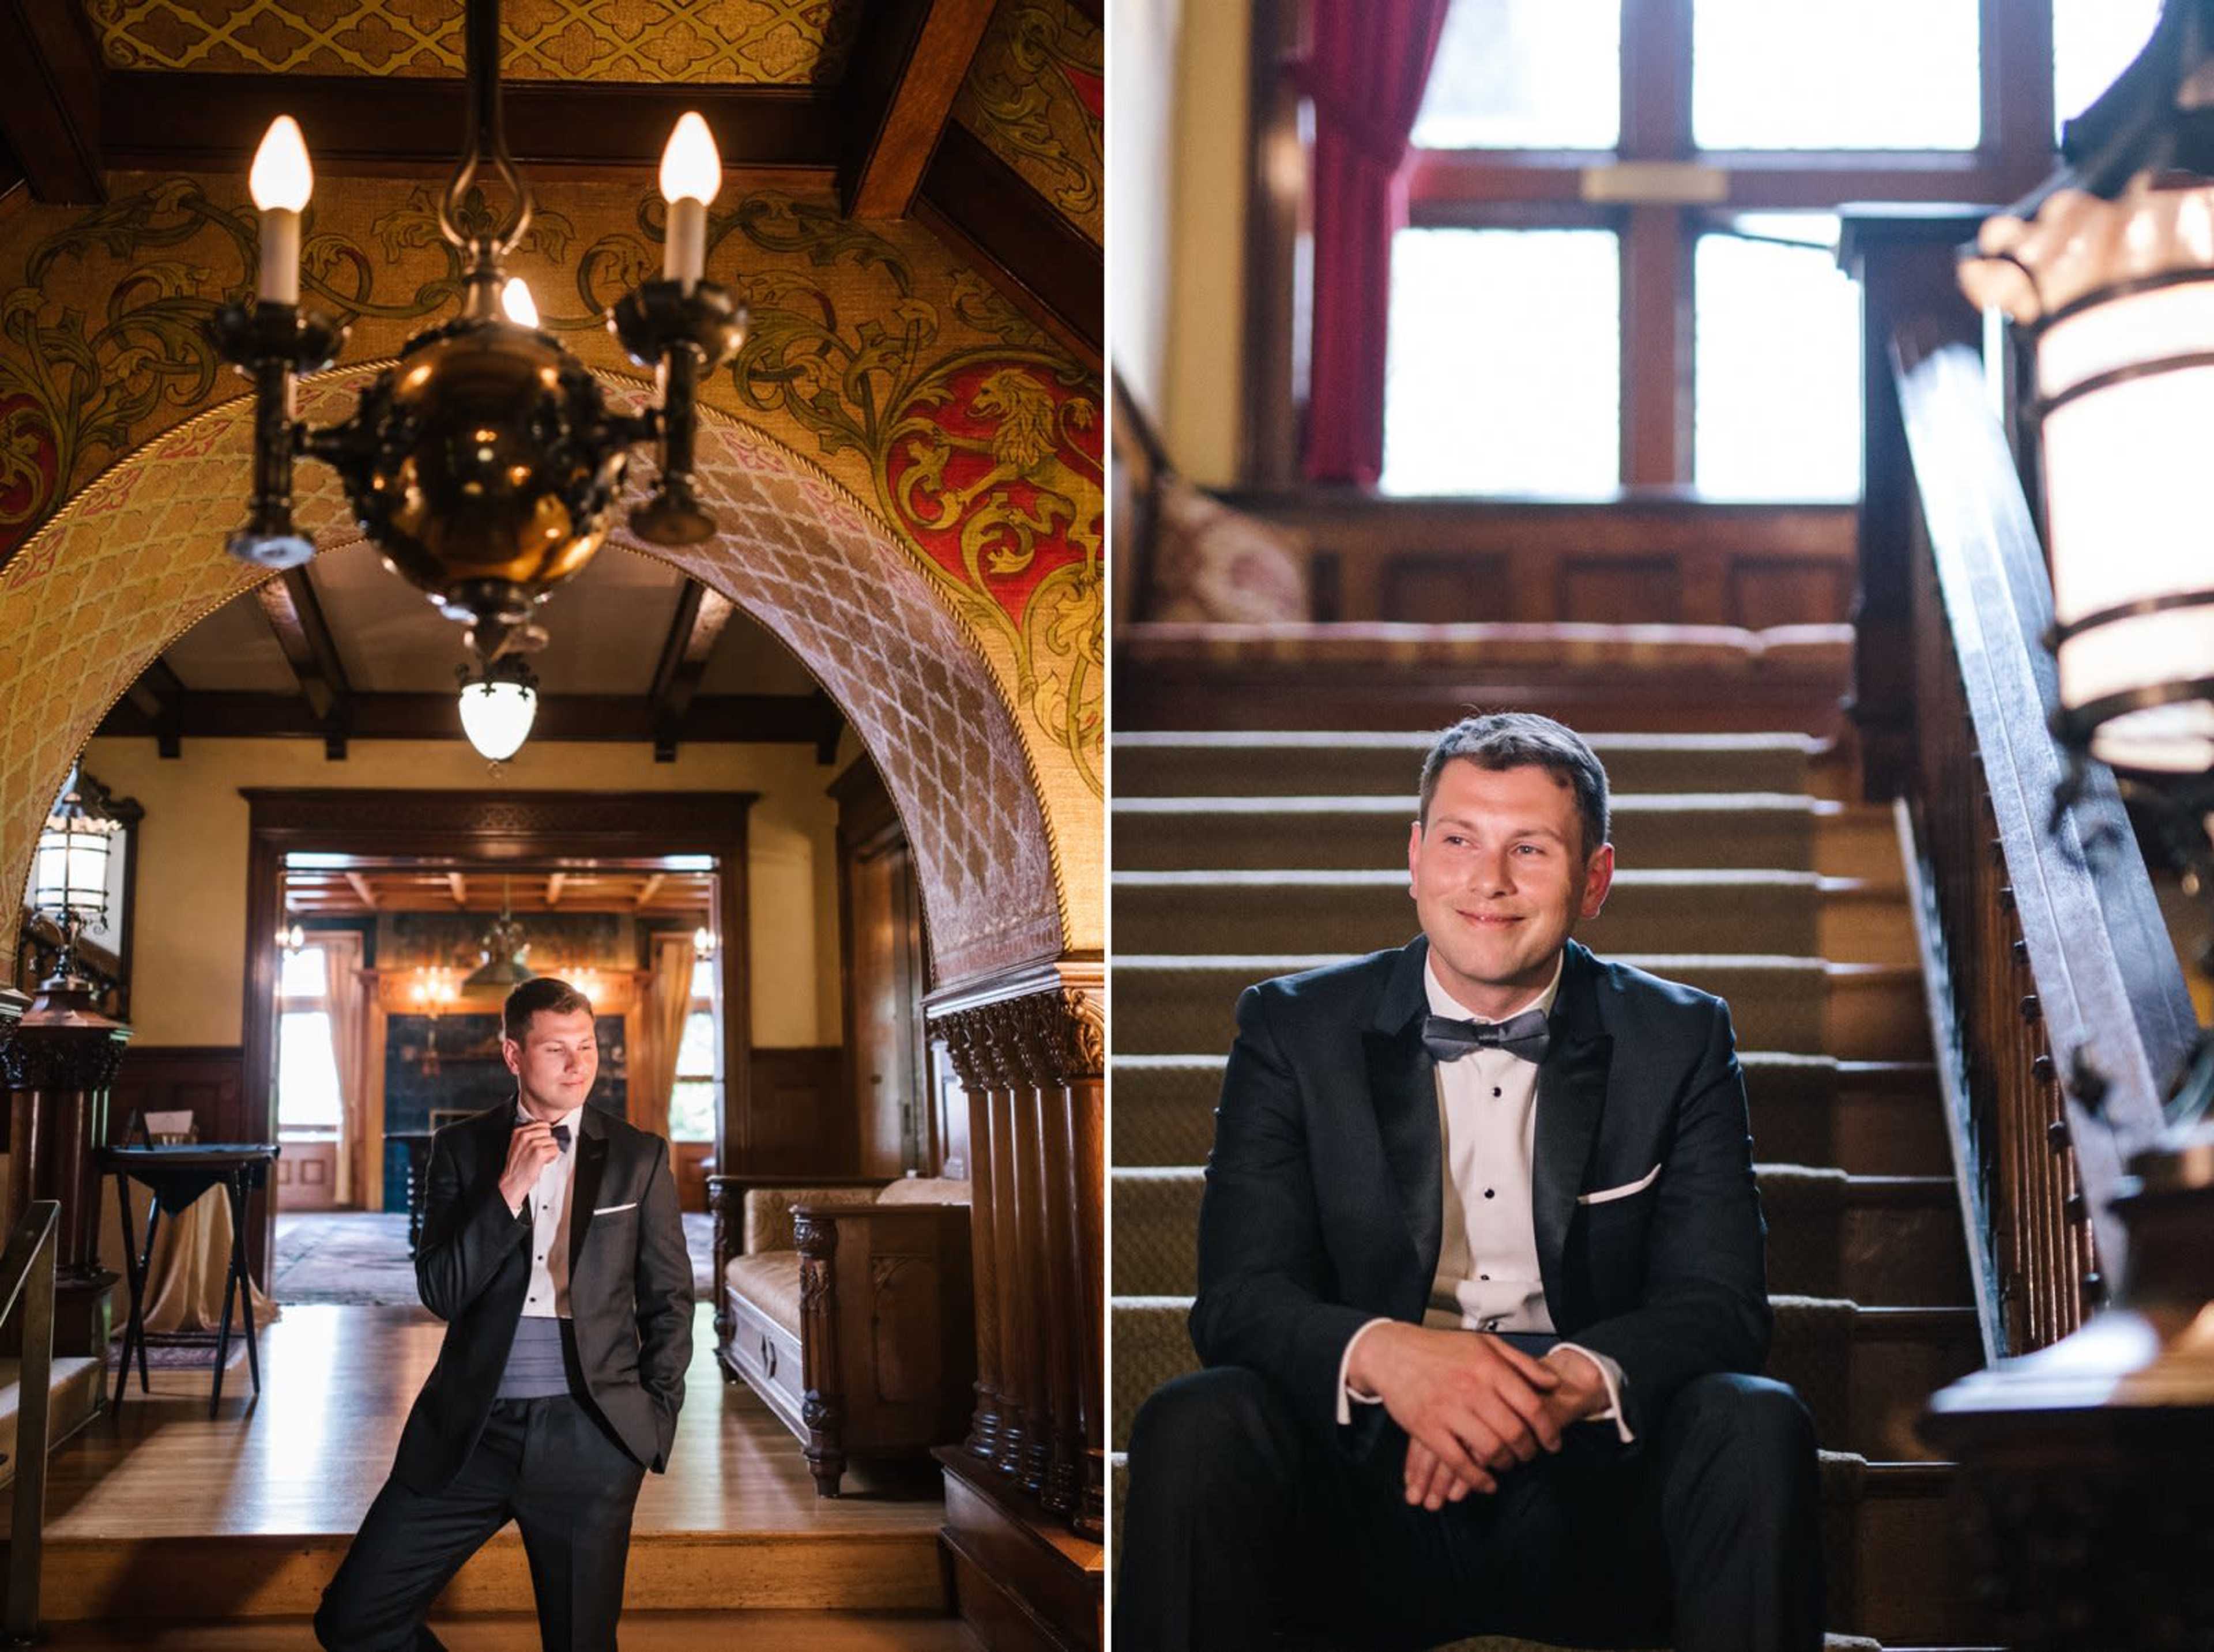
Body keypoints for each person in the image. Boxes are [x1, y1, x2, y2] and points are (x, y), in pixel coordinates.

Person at [1117, 712, 1822, 1652]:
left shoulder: (1681, 1037)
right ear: (1414, 858)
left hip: (1592, 1501)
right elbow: (1240, 1300)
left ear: (1595, 879)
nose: (1489, 880)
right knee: (1194, 1421)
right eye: (1459, 841)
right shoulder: (1291, 1027)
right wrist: (1396, 1360)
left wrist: (1557, 1385)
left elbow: (1720, 1305)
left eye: (1529, 848)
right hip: (1361, 1498)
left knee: (1757, 1421)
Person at [316, 976, 694, 1652]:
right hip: (469, 1432)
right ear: (514, 1055)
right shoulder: (459, 1149)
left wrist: (651, 1422)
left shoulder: (639, 1156)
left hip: (592, 1439)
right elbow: (442, 1291)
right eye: (556, 1049)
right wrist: (509, 1190)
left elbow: (670, 1299)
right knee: (353, 1619)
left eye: (587, 1046)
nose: (578, 1065)